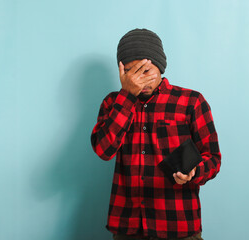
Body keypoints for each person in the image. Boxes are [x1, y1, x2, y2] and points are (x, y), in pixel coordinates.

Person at [90, 28, 221, 240]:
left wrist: (194, 172)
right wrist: (126, 98)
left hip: (178, 225)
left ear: (160, 67)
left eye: (147, 71)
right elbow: (104, 151)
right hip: (128, 227)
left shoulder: (191, 102)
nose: (140, 81)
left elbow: (213, 159)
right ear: (122, 73)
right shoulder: (112, 103)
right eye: (132, 72)